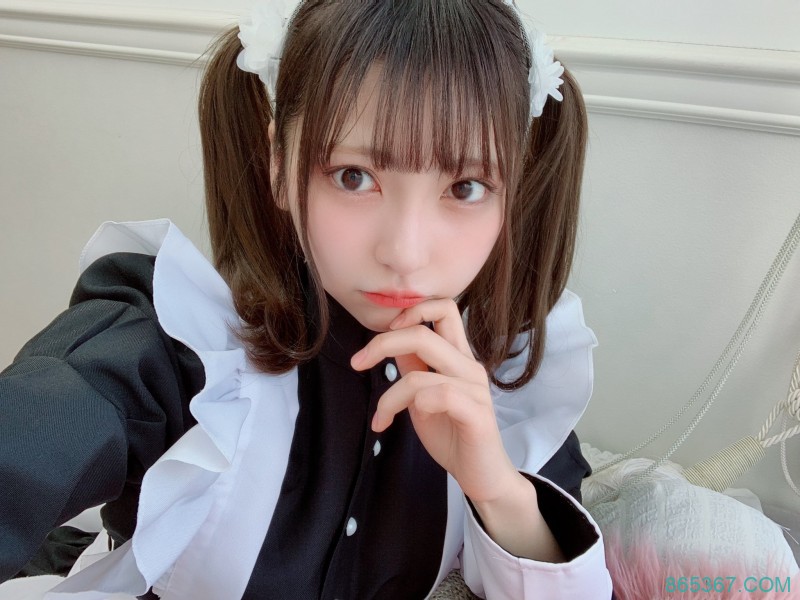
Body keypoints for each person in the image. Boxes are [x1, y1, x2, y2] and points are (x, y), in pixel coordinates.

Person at [0, 0, 614, 598]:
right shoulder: (176, 344)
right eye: (354, 177)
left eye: (466, 187)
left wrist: (497, 490)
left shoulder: (508, 373)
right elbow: (39, 427)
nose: (405, 252)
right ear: (278, 163)